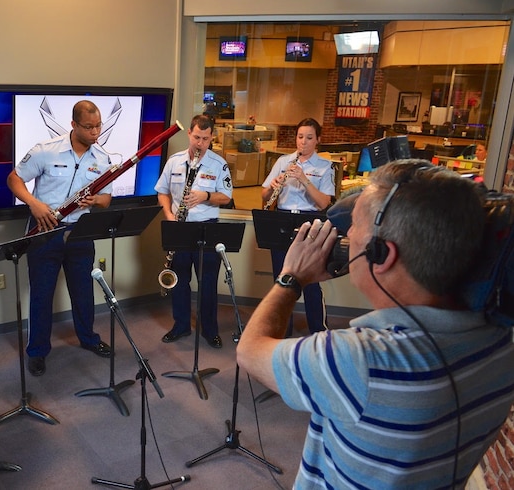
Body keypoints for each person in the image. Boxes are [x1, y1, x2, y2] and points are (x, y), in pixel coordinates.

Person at [237, 160, 514, 489]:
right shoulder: (500, 341)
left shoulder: (356, 360)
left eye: (355, 226)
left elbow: (250, 351)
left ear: (382, 255)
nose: (348, 235)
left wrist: (290, 278)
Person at [7, 100, 113, 377]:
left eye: (98, 126)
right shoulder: (46, 151)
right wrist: (33, 203)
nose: (95, 132)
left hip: (81, 232)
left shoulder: (102, 158)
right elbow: (14, 179)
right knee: (42, 294)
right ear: (74, 125)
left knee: (83, 292)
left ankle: (88, 338)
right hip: (46, 230)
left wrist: (96, 199)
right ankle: (38, 352)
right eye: (88, 127)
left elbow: (107, 199)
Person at [154, 114, 233, 348]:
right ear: (189, 133)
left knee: (208, 282)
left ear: (211, 138)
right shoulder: (174, 161)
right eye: (197, 137)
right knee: (179, 279)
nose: (200, 143)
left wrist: (205, 196)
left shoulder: (219, 164)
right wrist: (169, 216)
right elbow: (162, 192)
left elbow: (227, 197)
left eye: (206, 139)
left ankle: (210, 330)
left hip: (207, 227)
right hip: (180, 227)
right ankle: (180, 326)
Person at [261, 117, 334, 335]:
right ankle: (283, 330)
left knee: (310, 280)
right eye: (300, 137)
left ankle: (318, 331)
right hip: (282, 220)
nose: (303, 142)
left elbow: (323, 203)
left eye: (309, 138)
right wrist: (272, 187)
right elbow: (265, 196)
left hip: (310, 222)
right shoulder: (283, 161)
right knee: (282, 280)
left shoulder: (325, 166)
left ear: (317, 140)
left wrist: (304, 179)